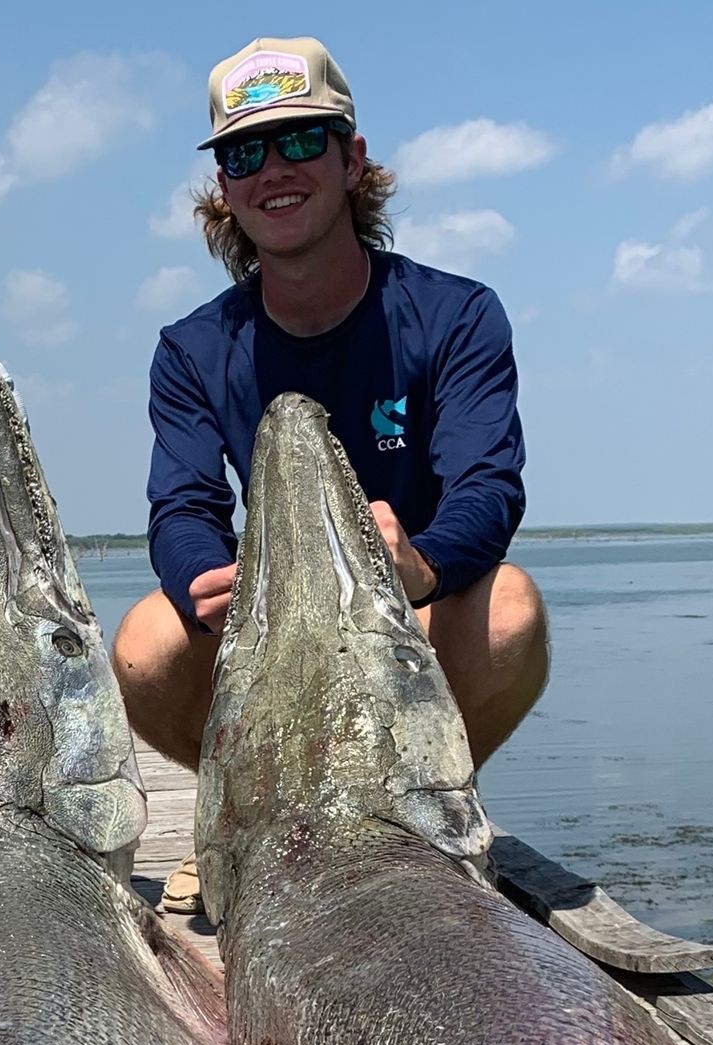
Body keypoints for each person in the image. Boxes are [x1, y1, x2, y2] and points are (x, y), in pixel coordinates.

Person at [115, 36, 550, 912]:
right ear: (225, 189)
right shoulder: (195, 350)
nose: (274, 168)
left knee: (511, 609)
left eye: (301, 140)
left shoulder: (454, 316)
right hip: (273, 625)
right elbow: (183, 505)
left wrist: (422, 563)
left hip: (415, 622)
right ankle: (244, 819)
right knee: (144, 644)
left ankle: (423, 817)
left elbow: (487, 487)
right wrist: (204, 579)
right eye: (245, 152)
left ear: (353, 160)